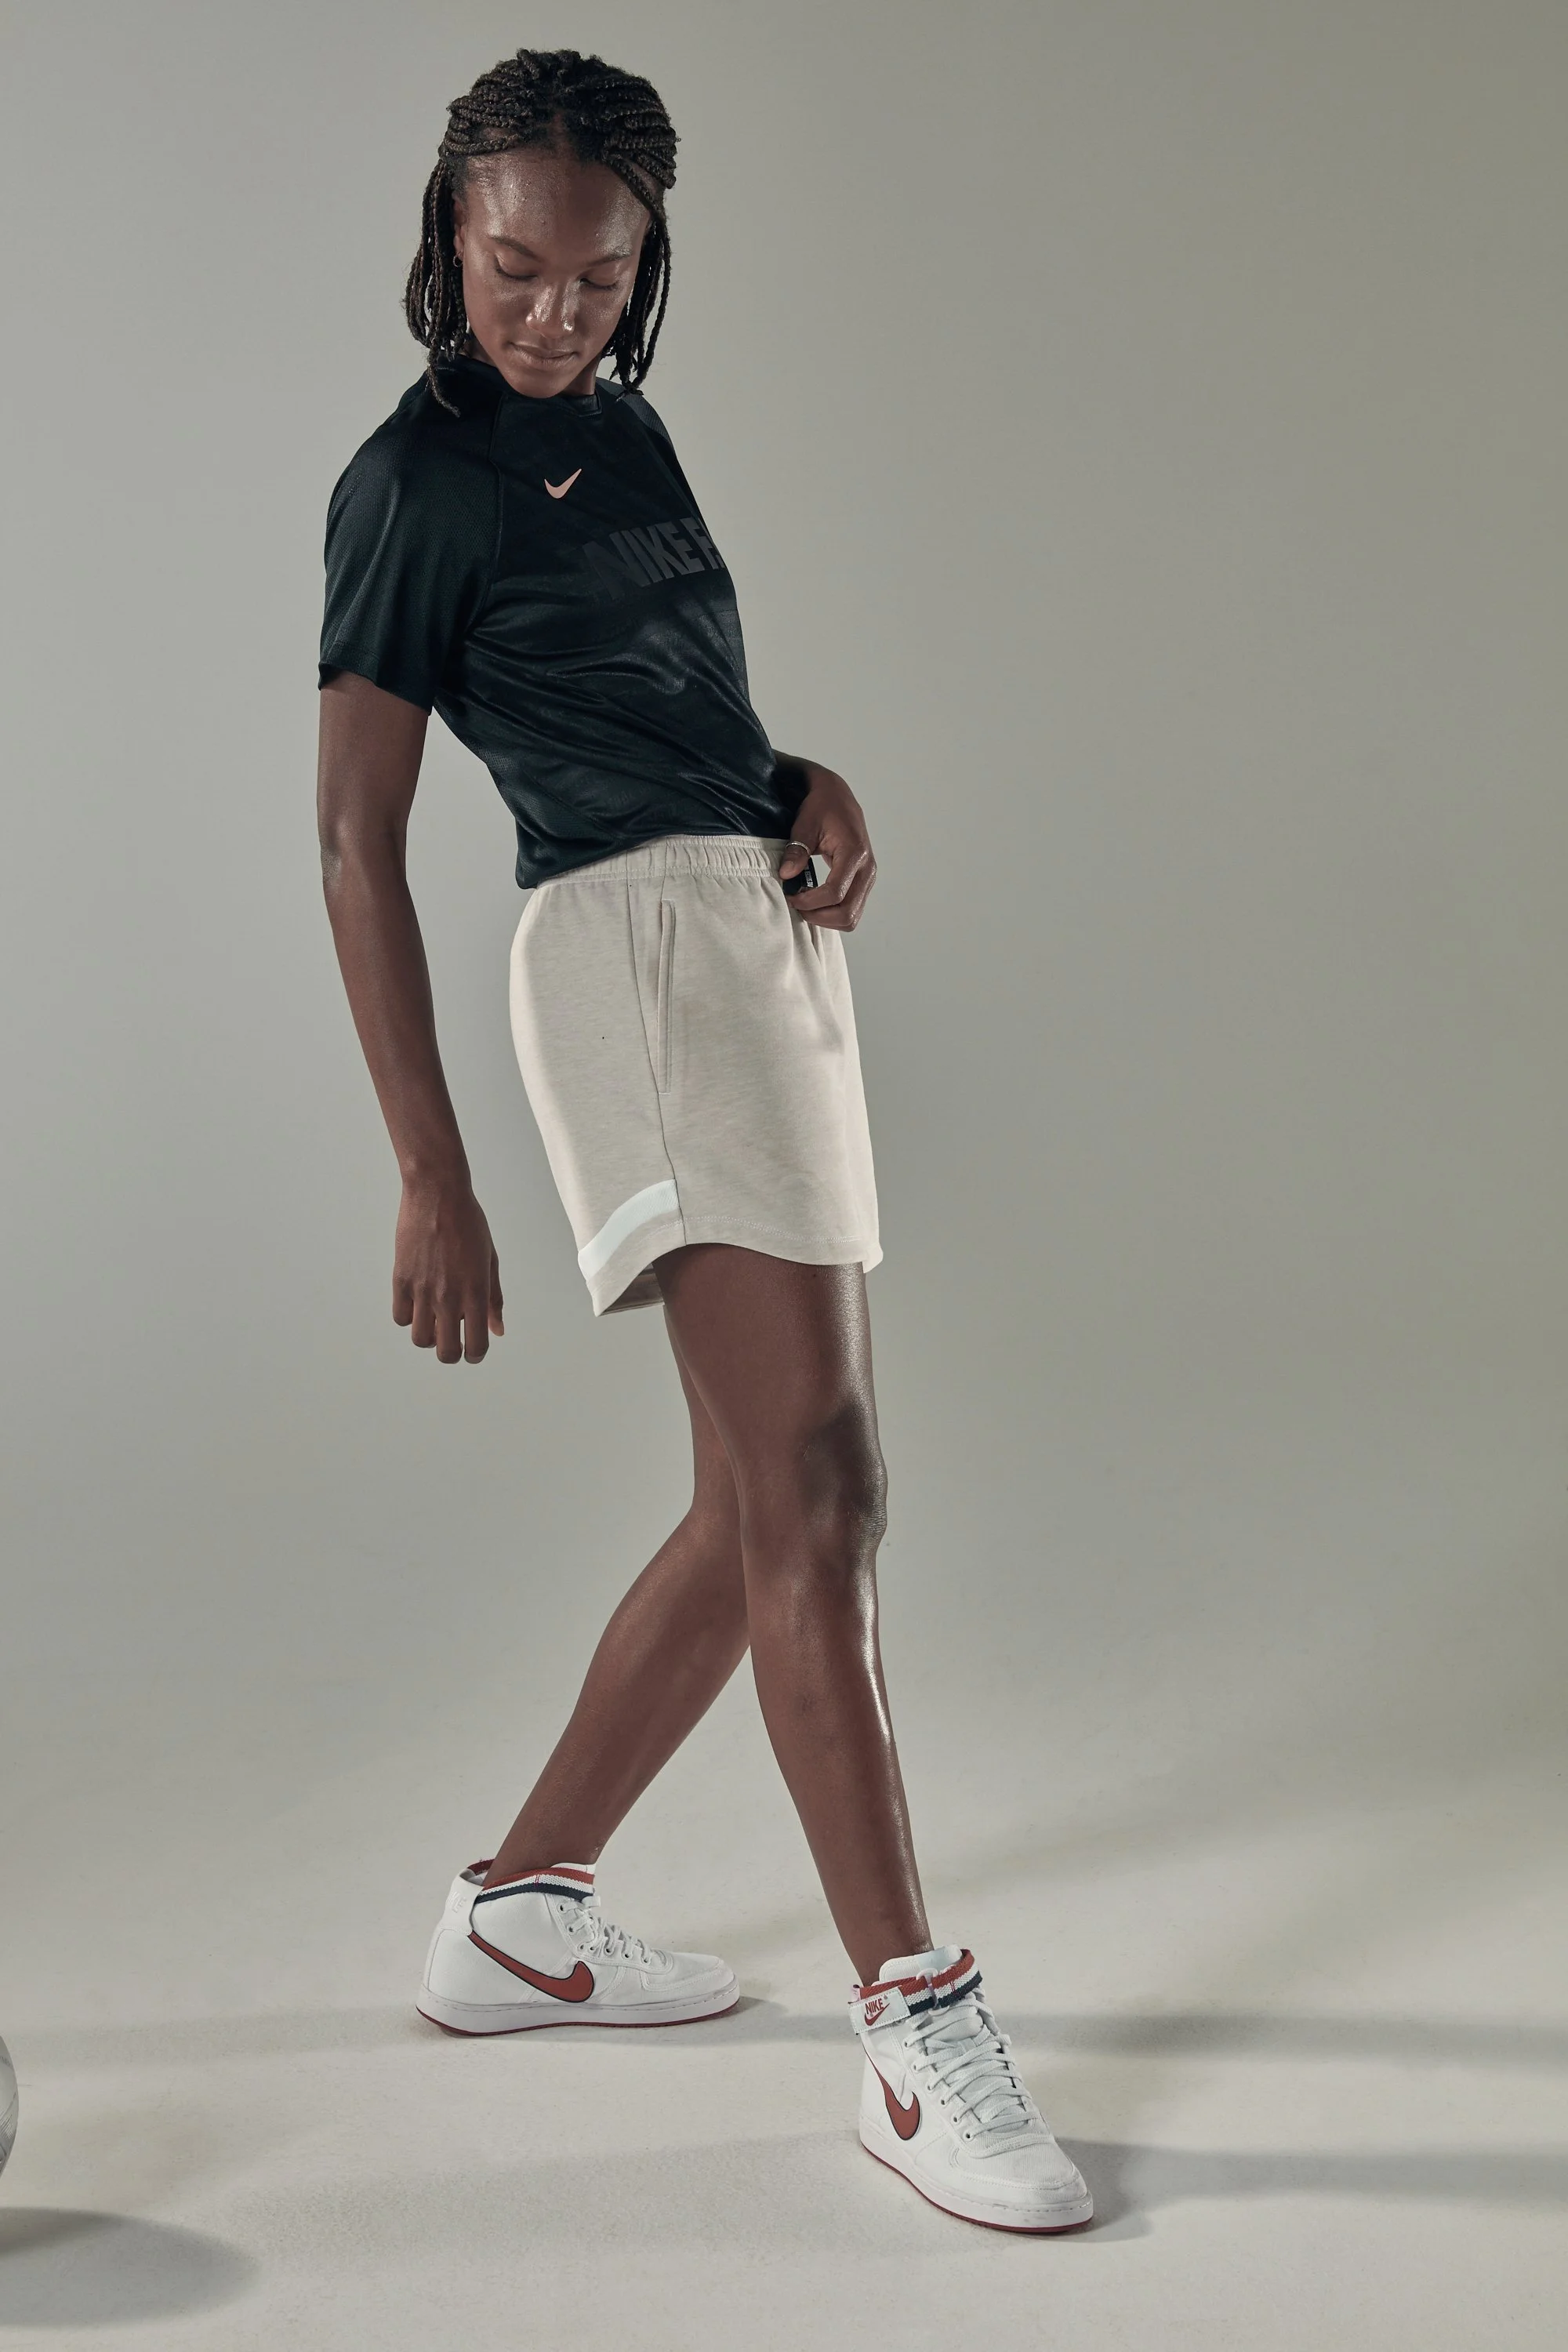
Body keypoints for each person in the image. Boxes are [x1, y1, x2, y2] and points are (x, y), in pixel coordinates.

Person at [315, 45, 1091, 2235]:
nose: (549, 310)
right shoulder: (414, 484)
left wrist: (794, 780)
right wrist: (429, 1166)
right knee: (820, 1496)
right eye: (511, 265)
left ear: (645, 265)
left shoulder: (626, 429)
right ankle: (915, 2026)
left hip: (750, 935)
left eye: (595, 273)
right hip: (636, 964)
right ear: (448, 236)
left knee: (766, 1494)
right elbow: (357, 847)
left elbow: (650, 706)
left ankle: (520, 1912)